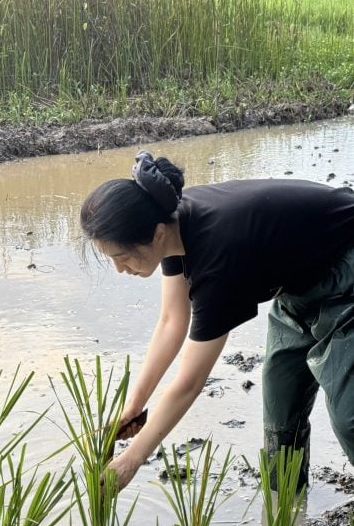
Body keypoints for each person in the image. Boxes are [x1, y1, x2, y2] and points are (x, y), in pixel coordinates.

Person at [80, 150, 354, 491]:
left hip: (346, 272)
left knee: (350, 419)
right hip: (296, 285)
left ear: (155, 234)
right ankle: (286, 515)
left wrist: (131, 460)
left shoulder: (220, 259)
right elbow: (170, 322)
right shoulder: (173, 225)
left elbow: (189, 384)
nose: (121, 269)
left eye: (122, 256)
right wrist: (132, 407)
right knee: (280, 419)